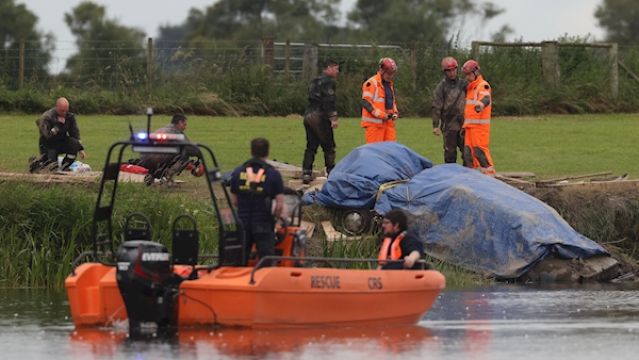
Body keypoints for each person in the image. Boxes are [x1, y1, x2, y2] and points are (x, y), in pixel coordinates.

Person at [229, 138, 285, 266]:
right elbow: (280, 205)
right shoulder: (273, 174)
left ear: (251, 151)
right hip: (263, 224)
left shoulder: (238, 172)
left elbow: (234, 200)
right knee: (266, 260)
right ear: (267, 152)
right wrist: (275, 220)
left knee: (239, 260)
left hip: (242, 223)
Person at [302, 59, 340, 184]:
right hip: (320, 117)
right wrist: (333, 118)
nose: (337, 71)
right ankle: (331, 172)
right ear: (328, 68)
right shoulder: (329, 82)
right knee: (329, 146)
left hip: (308, 115)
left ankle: (306, 172)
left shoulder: (315, 81)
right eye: (336, 68)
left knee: (311, 146)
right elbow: (329, 101)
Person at [136, 113, 203, 183]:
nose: (185, 127)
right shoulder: (175, 132)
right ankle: (167, 178)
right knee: (184, 154)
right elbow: (190, 148)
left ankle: (151, 176)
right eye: (184, 124)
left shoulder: (162, 129)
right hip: (157, 158)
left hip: (144, 159)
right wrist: (199, 154)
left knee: (171, 152)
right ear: (180, 123)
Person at [31, 97, 86, 172]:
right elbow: (47, 136)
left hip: (61, 141)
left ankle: (65, 166)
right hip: (48, 145)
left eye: (66, 111)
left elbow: (74, 132)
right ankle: (37, 163)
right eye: (62, 111)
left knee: (74, 144)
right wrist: (58, 126)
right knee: (52, 169)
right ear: (56, 107)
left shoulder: (69, 116)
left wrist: (80, 148)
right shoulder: (46, 117)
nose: (64, 113)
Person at [432, 57, 469, 165]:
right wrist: (435, 125)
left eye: (453, 70)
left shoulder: (464, 84)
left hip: (464, 124)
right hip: (449, 125)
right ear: (444, 72)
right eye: (449, 71)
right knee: (450, 154)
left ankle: (468, 177)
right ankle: (451, 178)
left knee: (467, 154)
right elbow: (436, 106)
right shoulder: (441, 87)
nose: (452, 73)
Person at [462, 59, 495, 175]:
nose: (467, 77)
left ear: (476, 72)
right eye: (466, 75)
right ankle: (474, 177)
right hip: (470, 127)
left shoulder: (482, 85)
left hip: (479, 127)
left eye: (469, 74)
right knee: (468, 154)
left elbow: (486, 97)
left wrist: (481, 104)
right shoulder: (471, 88)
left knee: (480, 152)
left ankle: (490, 175)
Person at [361, 57, 399, 143]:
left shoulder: (389, 84)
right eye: (389, 74)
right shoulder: (371, 83)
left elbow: (391, 101)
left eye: (392, 74)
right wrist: (381, 115)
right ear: (382, 71)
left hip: (388, 124)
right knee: (375, 152)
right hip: (374, 125)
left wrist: (395, 112)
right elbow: (366, 103)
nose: (391, 76)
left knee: (391, 151)